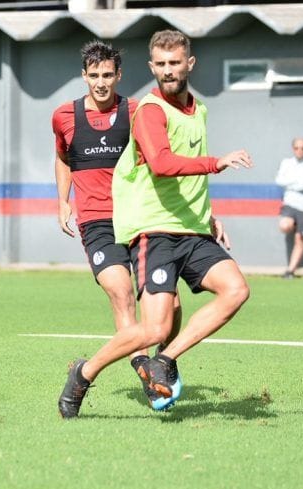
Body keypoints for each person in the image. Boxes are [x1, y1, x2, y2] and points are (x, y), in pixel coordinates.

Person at [58, 29, 252, 418]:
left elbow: (187, 172)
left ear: (189, 64)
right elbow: (163, 165)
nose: (168, 70)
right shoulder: (148, 111)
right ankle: (85, 372)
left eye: (175, 63)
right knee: (151, 324)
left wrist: (208, 217)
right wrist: (218, 161)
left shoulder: (199, 110)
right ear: (151, 68)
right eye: (161, 64)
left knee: (236, 290)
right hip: (153, 230)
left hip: (191, 229)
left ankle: (162, 362)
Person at [51, 40, 182, 401]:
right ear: (84, 76)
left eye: (108, 74)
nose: (101, 82)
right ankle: (145, 370)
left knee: (170, 306)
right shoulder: (64, 116)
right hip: (96, 222)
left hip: (140, 217)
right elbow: (63, 157)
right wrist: (63, 202)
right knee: (120, 292)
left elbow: (164, 161)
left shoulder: (139, 112)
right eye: (94, 75)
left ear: (119, 75)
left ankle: (164, 361)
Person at [275, 138, 303, 279]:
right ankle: (295, 226)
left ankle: (290, 271)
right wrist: (296, 182)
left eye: (302, 148)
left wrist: (291, 182)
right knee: (284, 225)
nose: (299, 151)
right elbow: (279, 180)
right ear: (292, 148)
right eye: (296, 148)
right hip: (290, 203)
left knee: (300, 239)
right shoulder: (286, 163)